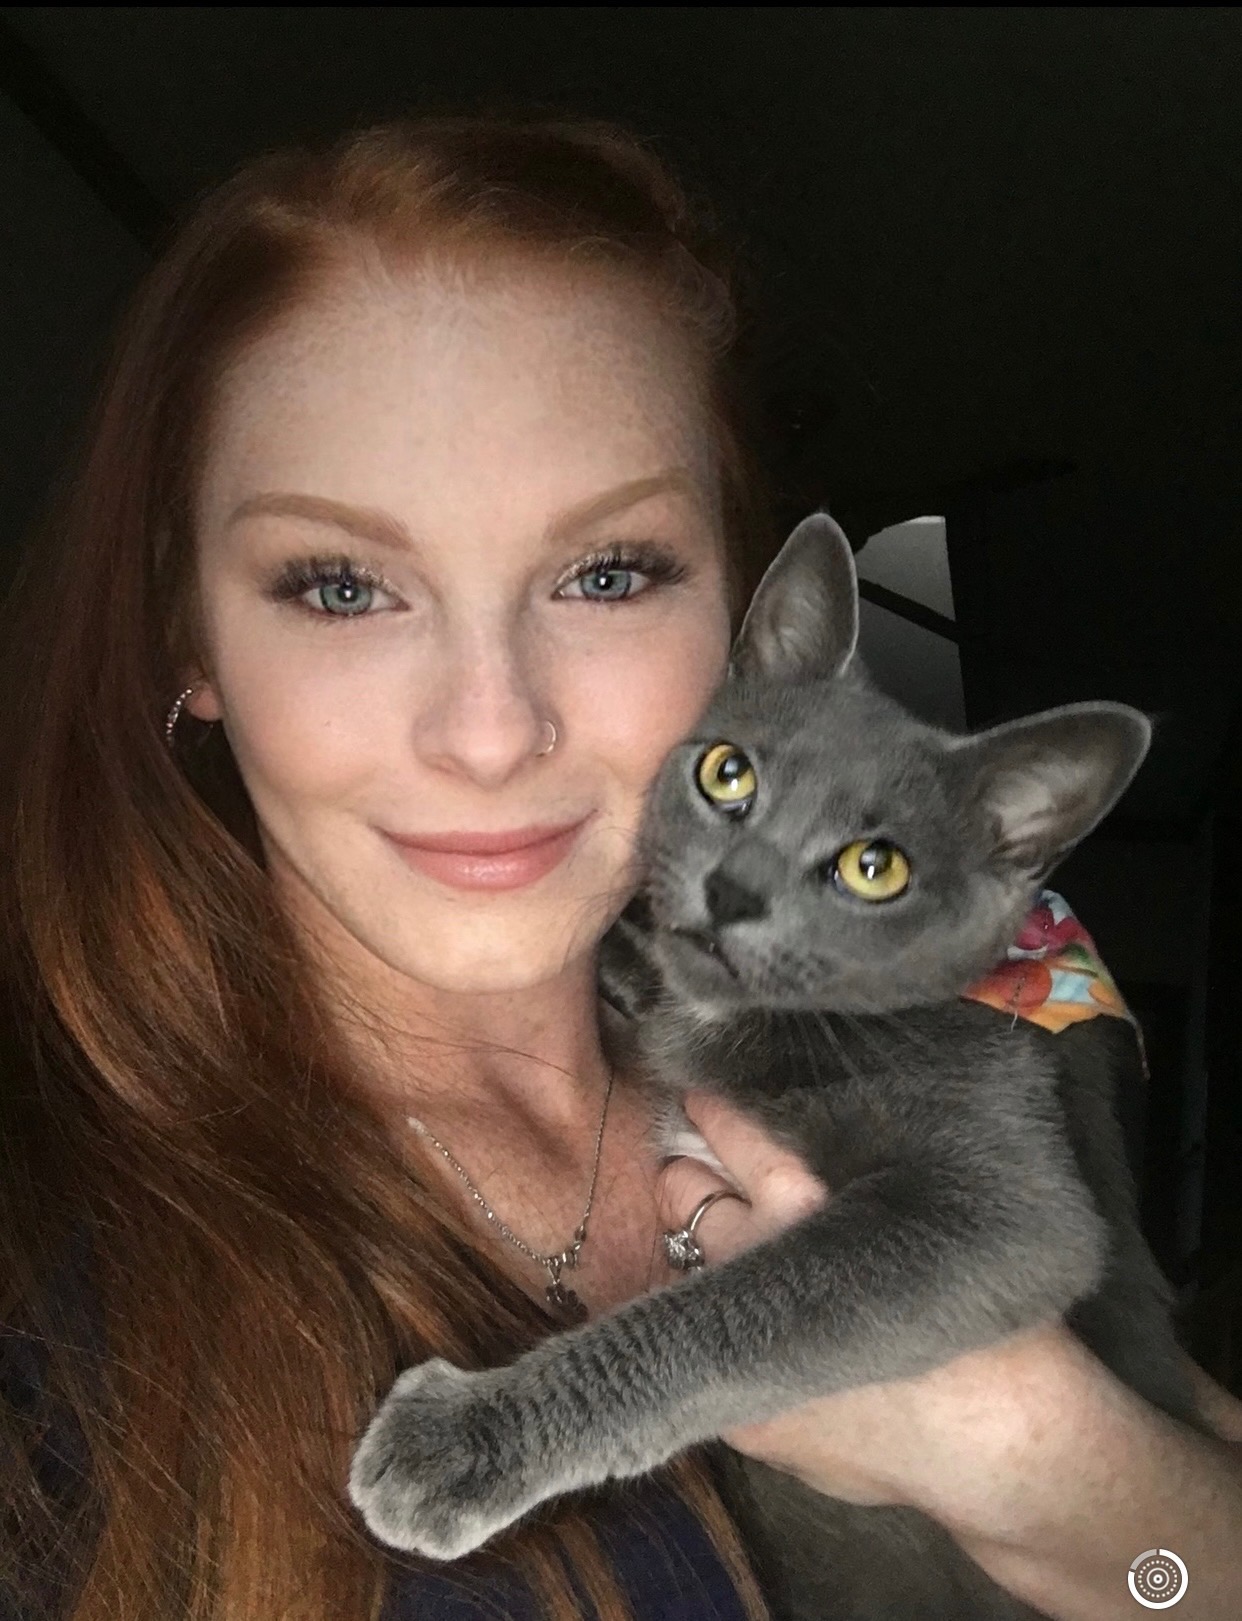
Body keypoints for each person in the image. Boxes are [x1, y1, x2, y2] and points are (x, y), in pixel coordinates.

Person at [1, 111, 1239, 1621]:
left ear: (732, 622)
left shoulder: (863, 1051)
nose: (489, 731)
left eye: (605, 574)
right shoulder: (49, 1282)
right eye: (340, 585)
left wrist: (1058, 1469)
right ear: (188, 636)